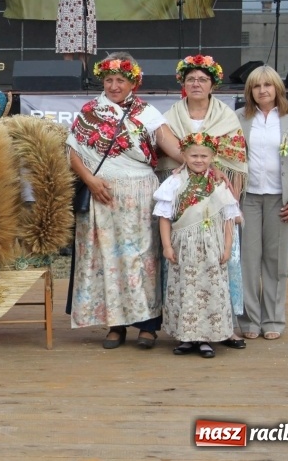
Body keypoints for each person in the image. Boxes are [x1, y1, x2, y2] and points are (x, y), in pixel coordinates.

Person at [66, 52, 183, 349]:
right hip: (101, 195)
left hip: (139, 196)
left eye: (120, 80)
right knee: (107, 258)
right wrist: (90, 181)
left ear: (133, 82)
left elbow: (170, 144)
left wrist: (198, 162)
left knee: (142, 258)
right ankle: (115, 325)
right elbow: (73, 154)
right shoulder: (91, 111)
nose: (114, 86)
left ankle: (147, 326)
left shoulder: (147, 113)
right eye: (109, 80)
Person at [156, 54, 248, 350]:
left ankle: (226, 325)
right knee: (185, 267)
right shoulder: (171, 115)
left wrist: (217, 170)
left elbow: (235, 156)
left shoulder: (227, 116)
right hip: (184, 197)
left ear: (213, 84)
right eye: (191, 79)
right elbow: (166, 154)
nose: (196, 83)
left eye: (203, 79)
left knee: (224, 260)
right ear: (183, 83)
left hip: (217, 198)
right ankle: (188, 325)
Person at [237, 66, 288, 341]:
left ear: (277, 89)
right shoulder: (238, 118)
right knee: (247, 261)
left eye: (268, 85)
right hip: (248, 199)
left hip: (282, 200)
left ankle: (273, 320)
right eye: (257, 86)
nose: (263, 90)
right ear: (250, 91)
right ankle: (248, 321)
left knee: (275, 261)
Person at [154, 133, 241, 358]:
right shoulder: (174, 182)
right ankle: (186, 336)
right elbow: (164, 216)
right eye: (194, 155)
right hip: (184, 247)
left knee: (209, 288)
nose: (199, 160)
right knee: (186, 288)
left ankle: (205, 338)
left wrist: (228, 247)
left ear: (212, 157)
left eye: (204, 156)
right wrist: (166, 245)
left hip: (212, 246)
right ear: (184, 155)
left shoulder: (219, 183)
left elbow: (229, 217)